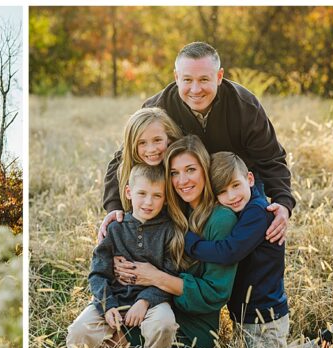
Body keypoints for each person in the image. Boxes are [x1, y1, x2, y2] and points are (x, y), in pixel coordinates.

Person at [100, 42, 292, 246]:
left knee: (265, 228)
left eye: (204, 79)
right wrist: (114, 206)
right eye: (187, 80)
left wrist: (283, 203)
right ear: (176, 77)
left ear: (219, 77)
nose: (195, 89)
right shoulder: (158, 108)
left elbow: (271, 158)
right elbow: (124, 157)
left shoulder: (244, 106)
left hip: (235, 183)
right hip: (185, 186)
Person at [182, 152, 333, 348]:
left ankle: (328, 345)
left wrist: (190, 243)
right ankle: (327, 341)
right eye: (223, 191)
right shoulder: (244, 210)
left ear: (250, 179)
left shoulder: (258, 213)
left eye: (236, 185)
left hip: (264, 312)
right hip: (250, 312)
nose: (232, 196)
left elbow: (229, 252)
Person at [113, 135, 238, 348]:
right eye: (174, 173)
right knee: (97, 336)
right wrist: (115, 258)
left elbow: (216, 292)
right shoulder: (171, 210)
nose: (182, 180)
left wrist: (155, 277)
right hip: (150, 307)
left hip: (191, 327)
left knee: (114, 347)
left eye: (190, 169)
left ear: (205, 170)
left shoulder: (221, 219)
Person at [67, 165, 178, 348]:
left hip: (152, 300)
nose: (148, 202)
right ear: (128, 192)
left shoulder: (169, 232)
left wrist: (144, 301)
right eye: (142, 193)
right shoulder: (115, 228)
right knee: (79, 330)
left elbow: (170, 273)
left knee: (165, 324)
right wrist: (107, 306)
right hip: (113, 297)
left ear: (166, 198)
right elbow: (97, 273)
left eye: (157, 195)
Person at [112, 108, 183, 212]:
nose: (151, 149)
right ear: (132, 145)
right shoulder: (126, 172)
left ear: (169, 138)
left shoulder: (178, 166)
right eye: (142, 143)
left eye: (157, 140)